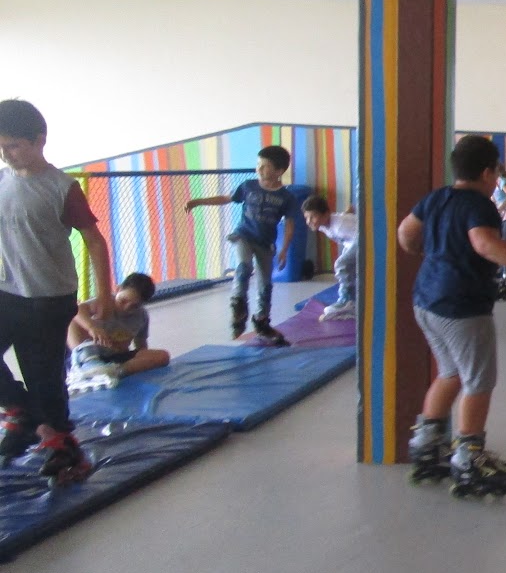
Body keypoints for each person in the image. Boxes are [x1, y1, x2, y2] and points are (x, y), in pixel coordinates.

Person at [398, 135, 506, 498]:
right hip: (462, 306)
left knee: (450, 373)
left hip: (426, 300)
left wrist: (430, 254)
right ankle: (469, 458)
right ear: (489, 173)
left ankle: (426, 445)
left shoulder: (436, 198)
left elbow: (406, 233)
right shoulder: (479, 205)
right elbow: (486, 244)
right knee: (478, 381)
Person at [0, 98, 113, 485]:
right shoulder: (2, 180)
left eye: (14, 146)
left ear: (39, 140)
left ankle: (65, 447)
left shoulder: (61, 188)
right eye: (0, 146)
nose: (6, 153)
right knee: (32, 386)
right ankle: (21, 413)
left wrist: (105, 295)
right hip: (7, 291)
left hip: (47, 298)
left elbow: (94, 240)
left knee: (43, 377)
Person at [186, 146, 296, 344]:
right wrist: (199, 201)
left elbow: (289, 225)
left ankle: (262, 322)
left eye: (265, 166)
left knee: (265, 285)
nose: (259, 169)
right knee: (244, 266)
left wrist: (284, 249)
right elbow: (226, 198)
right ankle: (238, 305)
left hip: (265, 243)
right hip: (243, 236)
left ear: (279, 171)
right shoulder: (248, 186)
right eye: (258, 164)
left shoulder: (286, 197)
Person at [65, 271, 171, 393]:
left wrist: (141, 361)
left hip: (114, 360)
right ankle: (86, 364)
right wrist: (92, 327)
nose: (126, 308)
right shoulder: (105, 303)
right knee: (72, 319)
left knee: (163, 356)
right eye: (123, 301)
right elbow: (77, 310)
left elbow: (141, 345)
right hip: (91, 353)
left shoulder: (141, 316)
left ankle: (114, 372)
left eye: (134, 306)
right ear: (118, 289)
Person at [301, 195, 358, 321]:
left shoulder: (340, 225)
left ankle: (347, 300)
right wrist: (348, 213)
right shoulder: (322, 224)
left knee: (341, 264)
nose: (309, 221)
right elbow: (342, 219)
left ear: (326, 214)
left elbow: (364, 234)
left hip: (365, 240)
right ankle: (354, 298)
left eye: (313, 216)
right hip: (352, 241)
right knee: (348, 265)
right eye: (306, 217)